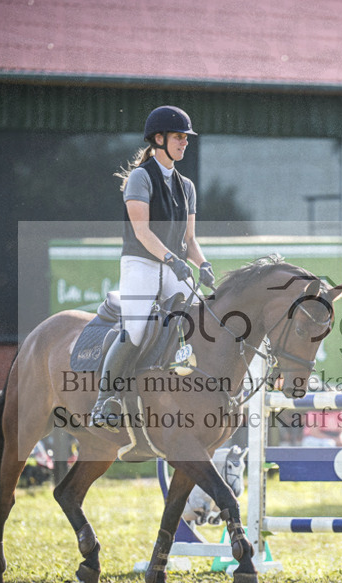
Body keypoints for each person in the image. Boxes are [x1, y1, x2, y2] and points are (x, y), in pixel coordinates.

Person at [90, 105, 215, 430]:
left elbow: (189, 239)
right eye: (178, 137)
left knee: (204, 320)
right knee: (136, 330)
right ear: (158, 139)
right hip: (141, 264)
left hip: (173, 266)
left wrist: (203, 264)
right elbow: (143, 232)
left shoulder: (186, 186)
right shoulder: (140, 177)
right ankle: (106, 400)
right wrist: (173, 259)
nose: (184, 143)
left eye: (186, 138)